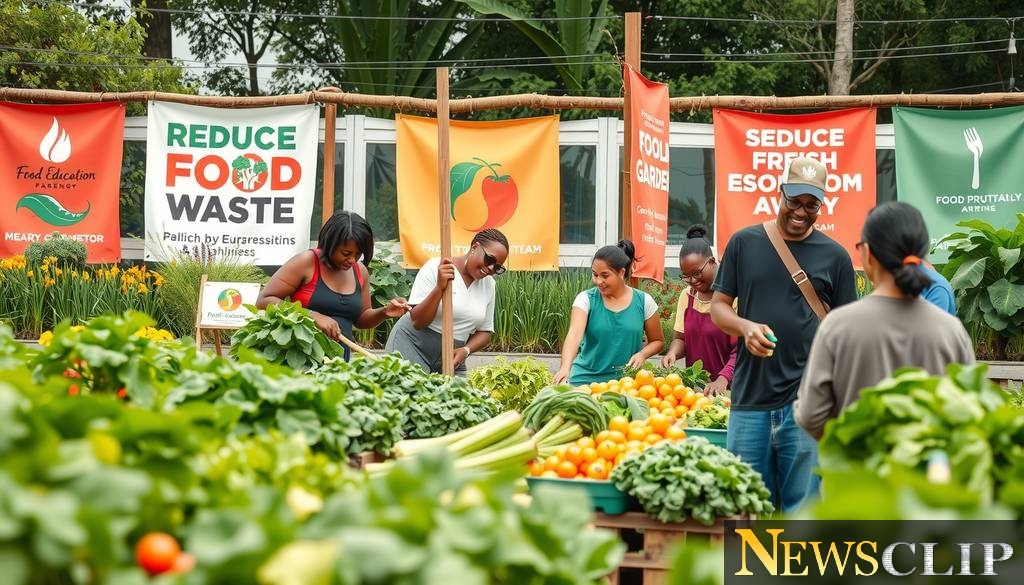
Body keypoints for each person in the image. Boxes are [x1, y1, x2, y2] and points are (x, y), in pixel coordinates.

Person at [709, 156, 858, 513]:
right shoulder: (745, 243)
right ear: (781, 193)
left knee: (802, 513)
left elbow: (845, 333)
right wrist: (745, 328)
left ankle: (795, 571)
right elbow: (718, 306)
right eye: (794, 201)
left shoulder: (836, 257)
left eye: (811, 205)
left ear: (821, 205)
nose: (801, 212)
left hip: (807, 406)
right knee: (746, 512)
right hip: (749, 399)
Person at [795, 202, 975, 440]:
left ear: (868, 254)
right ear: (920, 255)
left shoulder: (838, 326)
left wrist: (848, 444)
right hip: (924, 474)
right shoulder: (951, 331)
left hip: (854, 472)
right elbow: (969, 412)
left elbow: (811, 416)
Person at [257, 211, 409, 359]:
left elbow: (361, 319)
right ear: (330, 244)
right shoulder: (307, 262)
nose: (352, 260)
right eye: (346, 253)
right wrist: (312, 316)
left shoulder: (359, 271)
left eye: (358, 254)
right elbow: (264, 300)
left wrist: (384, 312)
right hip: (301, 362)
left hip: (339, 365)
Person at [384, 229, 509, 375]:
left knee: (459, 397)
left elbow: (485, 331)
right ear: (475, 247)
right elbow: (418, 322)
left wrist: (466, 350)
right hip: (412, 345)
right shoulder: (436, 267)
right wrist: (439, 288)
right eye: (490, 260)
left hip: (452, 356)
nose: (490, 269)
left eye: (497, 267)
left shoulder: (489, 285)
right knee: (411, 395)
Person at [553, 240, 664, 386]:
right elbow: (574, 334)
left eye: (605, 275)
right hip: (585, 382)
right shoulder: (585, 299)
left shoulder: (644, 302)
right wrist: (565, 368)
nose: (598, 281)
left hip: (627, 384)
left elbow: (658, 341)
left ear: (621, 272)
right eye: (595, 274)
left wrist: (642, 354)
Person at [661, 225, 738, 396]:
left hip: (732, 390)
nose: (692, 280)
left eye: (697, 273)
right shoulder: (687, 296)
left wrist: (723, 378)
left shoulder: (734, 296)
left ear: (712, 261)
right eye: (685, 276)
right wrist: (672, 353)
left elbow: (742, 350)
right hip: (696, 392)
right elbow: (681, 339)